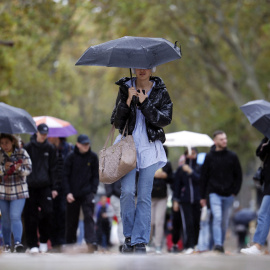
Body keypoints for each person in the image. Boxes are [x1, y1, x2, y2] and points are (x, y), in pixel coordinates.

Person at [111, 67, 173, 253]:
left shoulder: (161, 91)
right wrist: (128, 101)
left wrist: (146, 103)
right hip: (128, 146)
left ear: (152, 68)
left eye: (146, 66)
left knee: (145, 195)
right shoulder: (125, 88)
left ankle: (140, 240)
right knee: (128, 192)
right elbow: (116, 122)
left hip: (149, 147)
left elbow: (164, 120)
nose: (142, 70)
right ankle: (128, 237)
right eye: (138, 66)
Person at [200, 130, 242, 253]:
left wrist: (235, 191)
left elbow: (238, 176)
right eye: (222, 139)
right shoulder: (209, 157)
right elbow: (204, 177)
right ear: (215, 141)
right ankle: (218, 244)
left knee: (224, 221)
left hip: (229, 195)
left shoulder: (232, 156)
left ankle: (221, 243)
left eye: (225, 138)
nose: (225, 141)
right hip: (214, 193)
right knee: (217, 218)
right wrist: (202, 196)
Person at [24, 123, 58, 254]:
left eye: (45, 134)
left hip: (45, 186)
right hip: (30, 186)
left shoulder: (50, 148)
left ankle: (43, 241)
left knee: (48, 213)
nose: (43, 136)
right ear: (36, 132)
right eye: (41, 133)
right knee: (30, 216)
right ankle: (32, 244)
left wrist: (54, 187)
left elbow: (54, 169)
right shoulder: (28, 147)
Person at [63, 134, 99, 253]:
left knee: (89, 217)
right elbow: (65, 177)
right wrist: (68, 192)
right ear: (77, 144)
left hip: (87, 193)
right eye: (83, 144)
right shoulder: (70, 157)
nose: (86, 146)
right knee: (71, 220)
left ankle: (91, 242)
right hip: (72, 194)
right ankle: (70, 243)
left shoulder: (93, 157)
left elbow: (95, 176)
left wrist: (93, 190)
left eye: (87, 144)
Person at [0, 134, 32, 253]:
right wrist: (4, 168)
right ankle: (7, 244)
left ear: (12, 142)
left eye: (7, 142)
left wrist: (18, 168)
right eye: (2, 143)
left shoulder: (22, 152)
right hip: (2, 190)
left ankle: (18, 242)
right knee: (6, 218)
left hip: (19, 190)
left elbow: (28, 170)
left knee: (15, 215)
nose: (4, 146)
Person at [241, 137, 270, 255]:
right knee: (264, 214)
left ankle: (257, 246)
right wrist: (266, 144)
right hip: (268, 183)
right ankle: (257, 246)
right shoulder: (267, 135)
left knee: (264, 214)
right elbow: (259, 152)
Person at [172, 148, 201, 255]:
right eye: (189, 154)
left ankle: (195, 244)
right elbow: (177, 186)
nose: (192, 156)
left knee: (196, 223)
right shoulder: (180, 169)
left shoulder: (198, 167)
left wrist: (191, 172)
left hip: (197, 200)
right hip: (185, 201)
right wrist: (176, 200)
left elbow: (200, 180)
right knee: (188, 223)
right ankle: (188, 245)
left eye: (194, 154)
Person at [47, 137, 73, 252]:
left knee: (63, 214)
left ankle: (62, 241)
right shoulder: (48, 149)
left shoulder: (68, 148)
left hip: (64, 187)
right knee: (51, 214)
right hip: (50, 186)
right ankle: (53, 241)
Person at [151, 145, 173, 254]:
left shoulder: (167, 164)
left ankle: (158, 245)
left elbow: (172, 179)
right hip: (149, 196)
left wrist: (165, 176)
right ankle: (147, 242)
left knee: (159, 221)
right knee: (150, 222)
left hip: (162, 197)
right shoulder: (149, 162)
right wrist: (153, 175)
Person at [105, 180, 125, 251]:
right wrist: (109, 192)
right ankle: (123, 242)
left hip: (128, 194)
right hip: (116, 195)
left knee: (124, 218)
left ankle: (126, 241)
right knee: (121, 218)